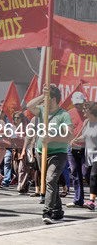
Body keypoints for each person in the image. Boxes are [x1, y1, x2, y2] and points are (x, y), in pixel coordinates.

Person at [27, 85, 74, 224]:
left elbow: (69, 134)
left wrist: (51, 138)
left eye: (46, 99)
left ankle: (47, 211)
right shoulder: (41, 110)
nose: (42, 103)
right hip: (42, 152)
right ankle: (58, 212)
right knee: (50, 183)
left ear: (53, 99)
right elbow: (30, 106)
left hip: (58, 153)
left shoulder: (63, 114)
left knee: (50, 180)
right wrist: (43, 95)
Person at [71, 101, 97, 210]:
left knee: (93, 176)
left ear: (91, 111)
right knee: (86, 174)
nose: (83, 111)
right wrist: (75, 139)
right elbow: (85, 137)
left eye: (85, 109)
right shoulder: (86, 122)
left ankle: (91, 201)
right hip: (88, 154)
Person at [67, 92, 90, 208]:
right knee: (75, 172)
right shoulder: (70, 113)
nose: (79, 106)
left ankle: (92, 197)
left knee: (87, 172)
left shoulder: (90, 113)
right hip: (72, 147)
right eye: (76, 104)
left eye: (80, 104)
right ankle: (78, 200)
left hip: (87, 147)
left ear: (85, 101)